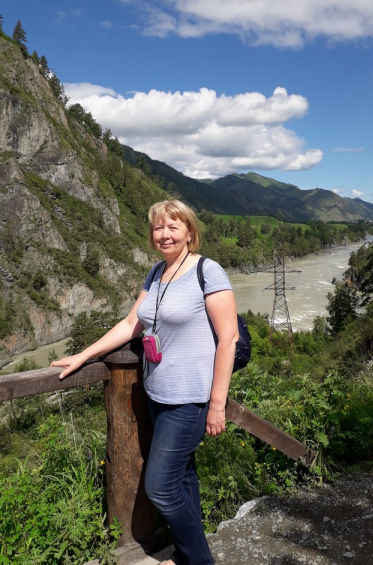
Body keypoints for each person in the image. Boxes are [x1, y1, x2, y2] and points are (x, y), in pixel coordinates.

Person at [51, 199, 239, 565]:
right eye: (158, 228)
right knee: (183, 478)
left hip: (190, 399)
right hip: (157, 393)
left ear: (189, 232)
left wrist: (217, 405)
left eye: (173, 226)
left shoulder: (207, 271)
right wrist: (84, 355)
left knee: (161, 486)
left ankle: (199, 560)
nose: (165, 234)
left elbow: (228, 338)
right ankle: (188, 554)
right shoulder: (155, 273)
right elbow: (129, 325)